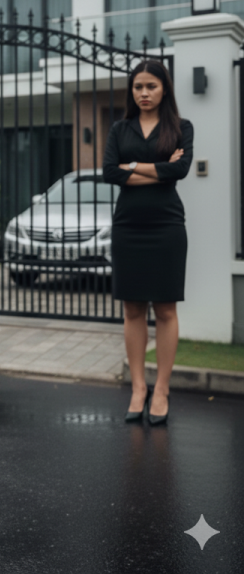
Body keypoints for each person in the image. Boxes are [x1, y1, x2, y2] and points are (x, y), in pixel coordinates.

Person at [103, 60, 193, 426]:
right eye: (138, 86)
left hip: (167, 226)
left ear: (164, 89)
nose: (143, 93)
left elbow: (180, 171)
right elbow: (110, 172)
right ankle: (139, 388)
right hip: (128, 227)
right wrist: (155, 168)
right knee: (133, 309)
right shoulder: (119, 128)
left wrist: (132, 168)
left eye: (151, 86)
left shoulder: (181, 128)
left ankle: (162, 389)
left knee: (166, 309)